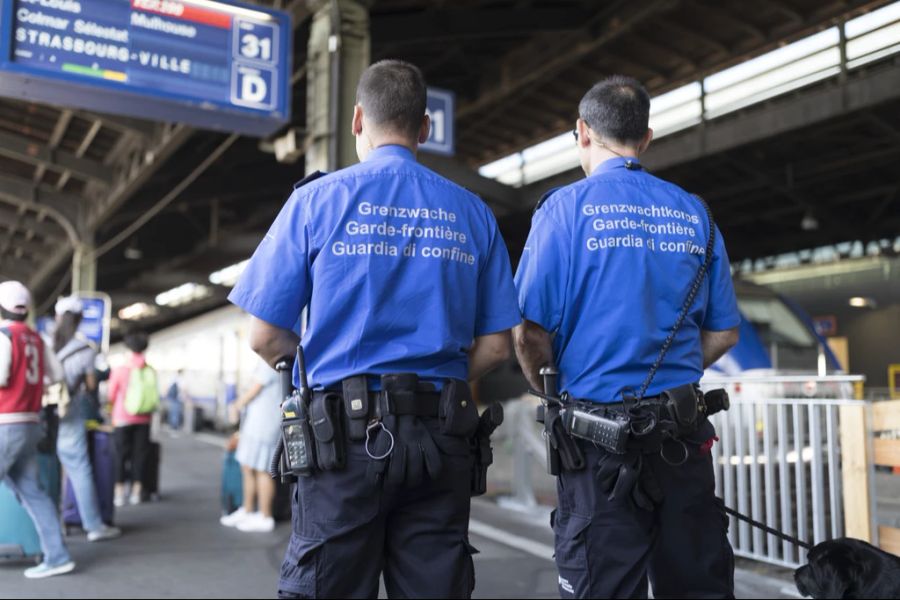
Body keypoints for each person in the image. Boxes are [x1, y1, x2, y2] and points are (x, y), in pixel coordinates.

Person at [229, 59, 520, 598]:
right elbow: (498, 346)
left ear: (358, 119)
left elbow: (264, 336)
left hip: (340, 442)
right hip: (441, 438)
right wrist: (443, 377)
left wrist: (313, 364)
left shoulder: (315, 201)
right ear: (425, 128)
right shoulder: (473, 212)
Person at [513, 76, 741, 599]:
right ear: (647, 138)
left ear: (582, 133)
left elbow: (527, 334)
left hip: (596, 449)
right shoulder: (695, 214)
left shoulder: (563, 211)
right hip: (684, 443)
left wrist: (554, 396)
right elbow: (724, 331)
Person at [0, 281, 75, 578]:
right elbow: (56, 374)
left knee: (33, 492)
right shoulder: (37, 338)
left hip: (6, 423)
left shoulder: (4, 336)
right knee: (33, 492)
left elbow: (1, 375)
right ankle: (57, 556)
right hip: (31, 423)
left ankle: (57, 556)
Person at [52, 296, 121, 541]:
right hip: (69, 412)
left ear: (58, 317)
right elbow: (91, 385)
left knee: (45, 471)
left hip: (42, 414)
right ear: (80, 319)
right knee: (79, 469)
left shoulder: (47, 343)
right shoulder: (85, 350)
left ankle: (52, 525)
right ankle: (94, 526)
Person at [220, 356, 282, 533]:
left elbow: (254, 389)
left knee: (263, 470)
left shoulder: (270, 361)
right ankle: (247, 510)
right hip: (256, 423)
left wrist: (236, 405)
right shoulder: (270, 360)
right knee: (248, 467)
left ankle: (265, 516)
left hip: (265, 424)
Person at [107, 331, 154, 507]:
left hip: (122, 418)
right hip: (144, 419)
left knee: (120, 455)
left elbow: (111, 395)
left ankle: (119, 493)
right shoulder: (149, 370)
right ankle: (136, 492)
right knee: (140, 456)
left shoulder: (121, 370)